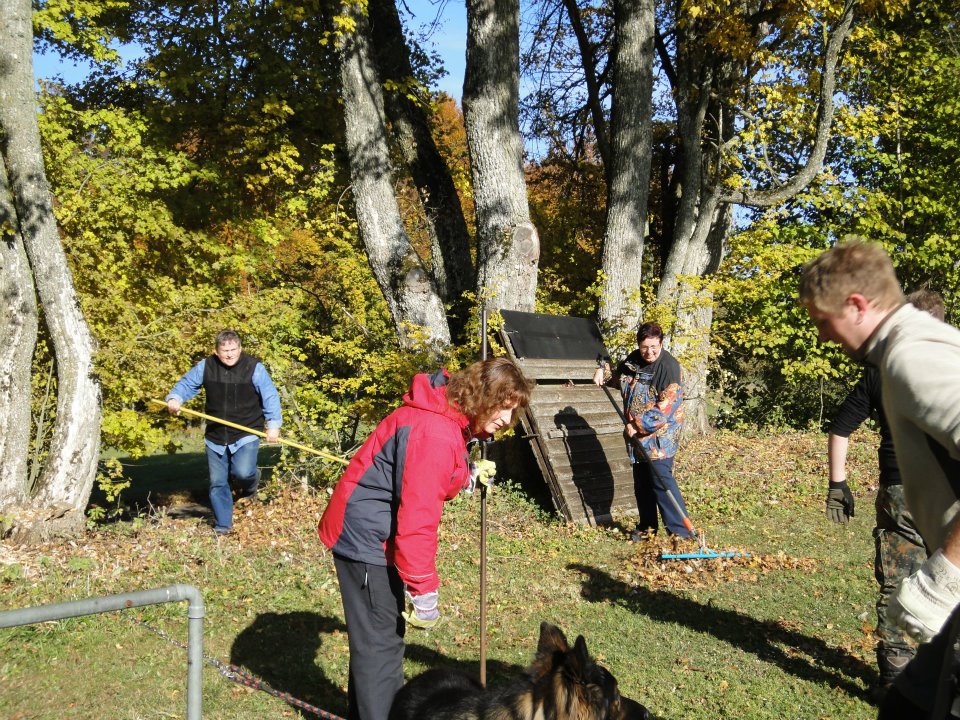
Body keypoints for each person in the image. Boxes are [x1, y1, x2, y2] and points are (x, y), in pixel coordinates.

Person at [317, 358, 531, 720]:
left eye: (513, 411)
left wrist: (466, 474)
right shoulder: (435, 432)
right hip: (366, 537)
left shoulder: (445, 416)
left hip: (376, 531)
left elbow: (427, 475)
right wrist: (423, 587)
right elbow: (417, 519)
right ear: (481, 396)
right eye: (503, 407)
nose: (507, 420)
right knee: (380, 644)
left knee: (377, 638)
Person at [799, 239, 960, 717]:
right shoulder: (903, 352)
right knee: (906, 704)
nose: (822, 336)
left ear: (856, 305)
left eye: (822, 321)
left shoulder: (914, 357)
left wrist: (944, 579)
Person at [825, 289, 945, 687]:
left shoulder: (882, 368)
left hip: (899, 488)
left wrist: (838, 483)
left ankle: (896, 673)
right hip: (946, 490)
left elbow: (840, 428)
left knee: (899, 579)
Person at [166, 329, 281, 535]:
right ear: (217, 351)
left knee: (243, 472)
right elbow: (186, 384)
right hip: (216, 435)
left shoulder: (254, 367)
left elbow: (270, 395)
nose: (229, 354)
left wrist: (273, 425)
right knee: (218, 483)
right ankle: (222, 526)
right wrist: (175, 398)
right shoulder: (206, 366)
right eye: (225, 351)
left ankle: (251, 482)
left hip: (246, 431)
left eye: (233, 349)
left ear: (240, 348)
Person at [593, 322, 695, 541]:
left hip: (660, 438)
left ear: (661, 343)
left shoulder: (668, 367)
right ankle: (647, 529)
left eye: (653, 347)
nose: (649, 352)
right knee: (642, 484)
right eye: (644, 347)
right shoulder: (633, 360)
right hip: (636, 438)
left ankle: (681, 534)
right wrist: (603, 372)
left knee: (661, 482)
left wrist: (637, 425)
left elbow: (664, 409)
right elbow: (618, 380)